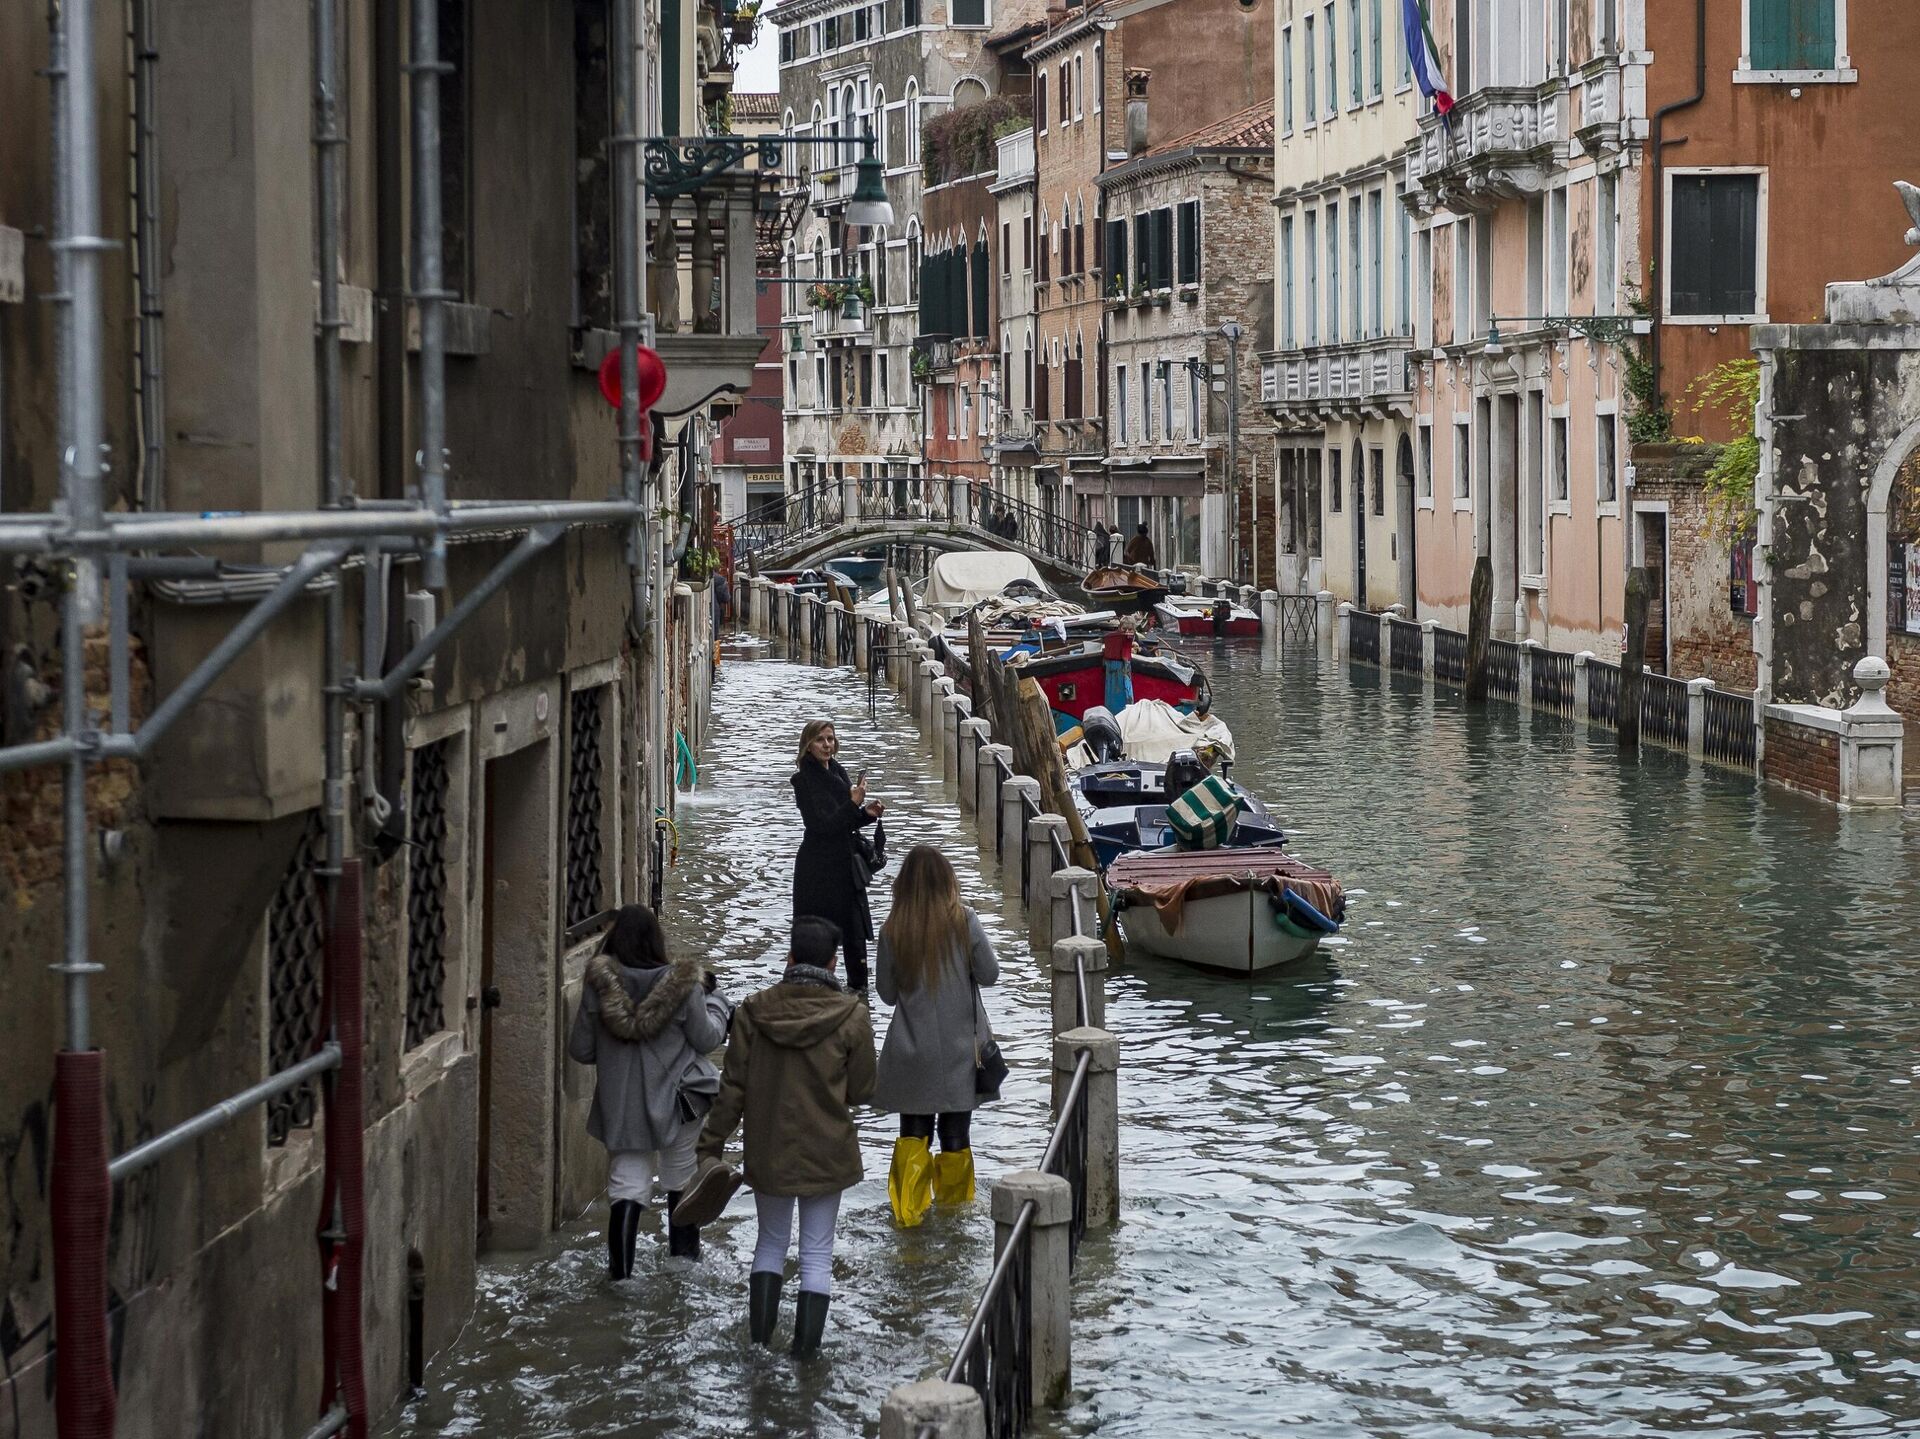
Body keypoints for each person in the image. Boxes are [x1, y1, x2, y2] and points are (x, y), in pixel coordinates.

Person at [678, 916, 876, 1357]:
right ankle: (806, 1359)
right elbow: (863, 1091)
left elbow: (732, 1090)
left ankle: (759, 1349)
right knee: (817, 1255)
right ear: (834, 962)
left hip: (768, 1148)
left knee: (769, 1243)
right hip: (829, 1151)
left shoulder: (751, 1011)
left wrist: (710, 1145)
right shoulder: (852, 1016)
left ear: (789, 958)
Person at [566, 905, 731, 1278]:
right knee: (680, 1178)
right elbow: (706, 1039)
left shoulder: (598, 988)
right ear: (657, 939)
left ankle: (621, 1279)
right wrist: (718, 1004)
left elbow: (581, 1050)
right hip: (678, 1102)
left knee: (626, 1185)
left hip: (623, 1107)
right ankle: (683, 1268)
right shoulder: (684, 984)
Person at [873, 846, 1000, 1227]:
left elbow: (886, 993)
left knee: (913, 1134)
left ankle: (908, 1218)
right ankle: (955, 1217)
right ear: (948, 880)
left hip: (911, 1052)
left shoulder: (893, 928)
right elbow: (990, 974)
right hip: (962, 1051)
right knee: (956, 1133)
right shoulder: (965, 920)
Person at [791, 719, 884, 995]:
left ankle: (860, 994)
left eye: (830, 739)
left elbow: (845, 821)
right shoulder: (803, 781)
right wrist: (854, 803)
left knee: (855, 935)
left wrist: (866, 813)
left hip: (845, 867)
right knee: (817, 935)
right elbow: (821, 825)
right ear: (808, 746)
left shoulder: (838, 773)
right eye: (821, 740)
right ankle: (813, 990)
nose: (827, 745)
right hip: (818, 870)